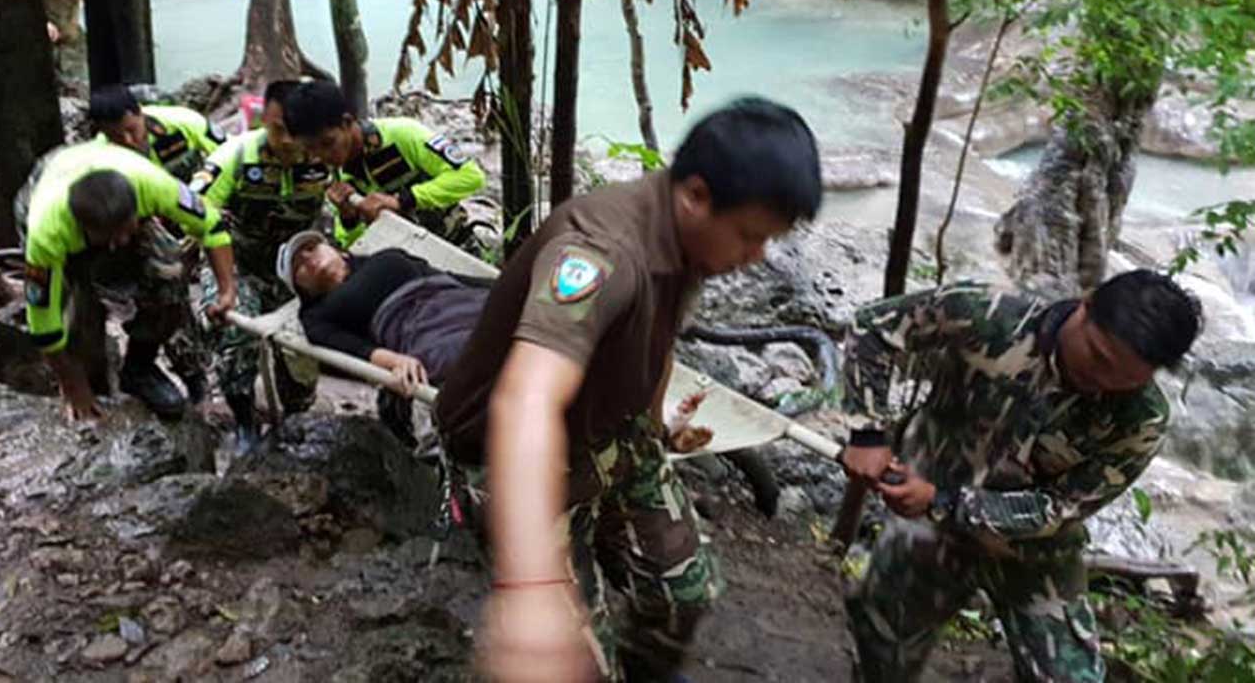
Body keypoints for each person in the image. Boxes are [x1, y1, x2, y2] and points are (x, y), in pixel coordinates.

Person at [435, 96, 824, 682]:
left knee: (685, 592)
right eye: (749, 236)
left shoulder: (691, 238)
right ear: (696, 195)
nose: (757, 256)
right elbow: (526, 399)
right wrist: (531, 588)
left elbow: (658, 338)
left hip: (613, 435)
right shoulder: (600, 253)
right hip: (508, 451)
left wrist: (654, 424)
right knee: (571, 666)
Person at [838, 269, 1202, 683]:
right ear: (1086, 307)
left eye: (1125, 379)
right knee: (883, 645)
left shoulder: (1140, 419)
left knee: (1070, 677)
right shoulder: (991, 313)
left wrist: (943, 501)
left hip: (1030, 545)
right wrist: (867, 433)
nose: (1103, 380)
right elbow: (872, 328)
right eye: (1098, 357)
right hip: (925, 513)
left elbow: (1057, 508)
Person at [20, 136, 237, 421]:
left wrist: (226, 290)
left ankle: (140, 367)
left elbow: (212, 225)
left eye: (124, 232)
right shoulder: (46, 235)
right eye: (109, 239)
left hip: (111, 176)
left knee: (169, 270)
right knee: (78, 311)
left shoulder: (154, 185)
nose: (118, 243)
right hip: (45, 186)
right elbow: (43, 324)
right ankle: (91, 377)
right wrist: (73, 386)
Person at [186, 79, 330, 452]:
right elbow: (197, 209)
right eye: (275, 128)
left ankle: (297, 414)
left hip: (297, 270)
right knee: (235, 333)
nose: (284, 139)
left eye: (291, 130)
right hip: (237, 264)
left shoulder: (325, 159)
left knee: (304, 349)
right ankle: (245, 419)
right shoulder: (236, 156)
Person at [281, 230, 491, 443]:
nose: (308, 258)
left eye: (311, 248)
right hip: (416, 326)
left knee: (509, 315)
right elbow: (354, 348)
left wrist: (502, 284)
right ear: (302, 290)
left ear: (338, 251)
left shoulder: (385, 256)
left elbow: (448, 275)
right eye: (298, 265)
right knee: (465, 353)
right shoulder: (315, 316)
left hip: (459, 298)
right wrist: (395, 361)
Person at [281, 79, 486, 248]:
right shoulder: (339, 178)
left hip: (458, 248)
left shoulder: (404, 134)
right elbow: (354, 245)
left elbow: (470, 176)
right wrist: (349, 218)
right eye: (310, 149)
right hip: (412, 270)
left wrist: (404, 200)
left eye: (327, 143)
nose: (321, 156)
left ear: (346, 122)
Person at [90, 83, 226, 183]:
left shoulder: (183, 122)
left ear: (140, 112)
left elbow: (230, 154)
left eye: (132, 130)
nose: (128, 141)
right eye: (115, 136)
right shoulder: (100, 157)